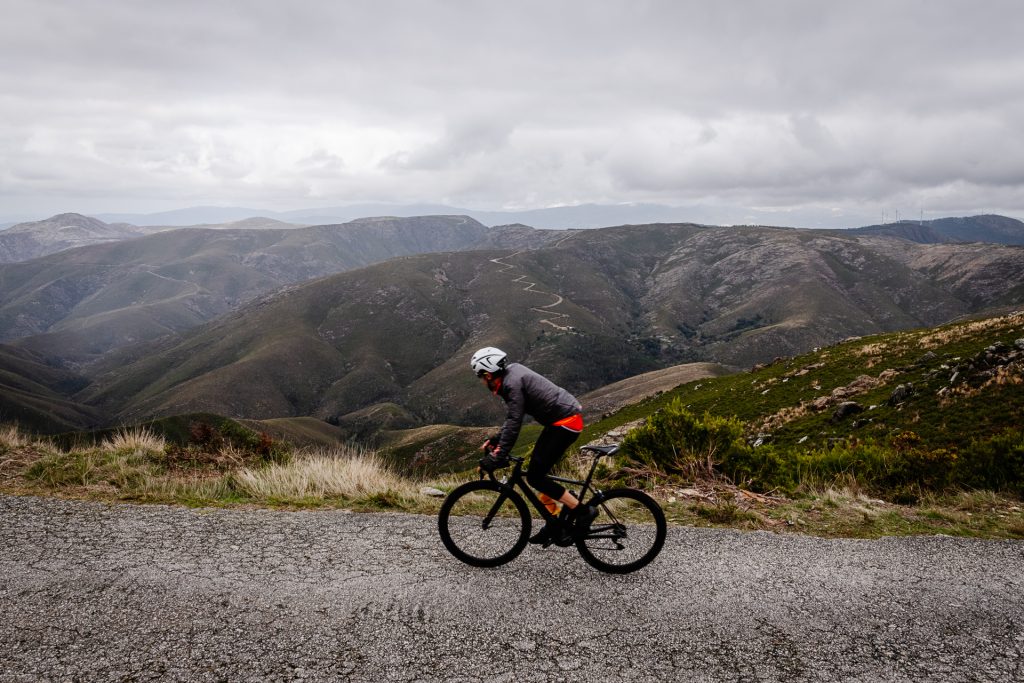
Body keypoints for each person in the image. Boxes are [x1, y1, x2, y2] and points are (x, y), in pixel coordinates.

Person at [470, 346, 597, 545]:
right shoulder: (512, 375)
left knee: (535, 477)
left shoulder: (512, 384)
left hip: (566, 423)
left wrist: (497, 456)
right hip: (560, 421)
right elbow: (512, 419)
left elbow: (514, 421)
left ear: (488, 374)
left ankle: (583, 511)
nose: (481, 381)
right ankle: (554, 522)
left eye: (481, 376)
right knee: (537, 474)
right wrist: (496, 440)